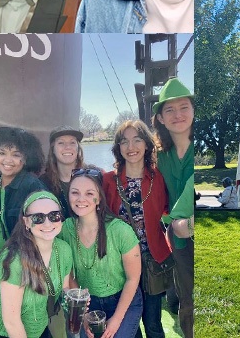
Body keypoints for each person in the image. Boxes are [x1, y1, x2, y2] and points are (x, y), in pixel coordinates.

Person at [102, 120, 171, 338]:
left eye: (137, 140)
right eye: (124, 142)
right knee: (128, 325)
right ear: (118, 148)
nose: (131, 147)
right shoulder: (107, 180)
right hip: (119, 264)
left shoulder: (159, 177)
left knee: (152, 324)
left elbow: (170, 209)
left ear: (147, 144)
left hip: (151, 261)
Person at [60, 167, 142, 338]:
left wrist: (117, 320)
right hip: (89, 302)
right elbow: (69, 274)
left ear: (99, 198)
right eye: (75, 193)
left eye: (89, 193)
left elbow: (133, 279)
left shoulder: (120, 230)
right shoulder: (65, 229)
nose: (81, 199)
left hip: (122, 299)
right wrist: (81, 312)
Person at [0, 191, 74, 338]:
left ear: (61, 218)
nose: (48, 223)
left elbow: (64, 288)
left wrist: (74, 299)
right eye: (38, 218)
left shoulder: (64, 250)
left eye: (54, 215)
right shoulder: (15, 259)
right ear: (26, 222)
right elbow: (11, 322)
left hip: (37, 327)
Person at [151, 78, 194, 338]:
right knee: (187, 297)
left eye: (184, 107)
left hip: (191, 229)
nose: (178, 114)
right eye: (170, 110)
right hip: (178, 239)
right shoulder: (159, 156)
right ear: (161, 118)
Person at [0, 127, 46, 287]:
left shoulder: (31, 185)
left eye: (16, 155)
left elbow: (45, 230)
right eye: (2, 153)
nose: (7, 160)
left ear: (26, 159)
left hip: (22, 268)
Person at [39, 126, 85, 219]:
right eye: (61, 143)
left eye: (72, 142)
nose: (67, 147)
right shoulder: (43, 183)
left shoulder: (92, 177)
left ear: (78, 148)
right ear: (53, 149)